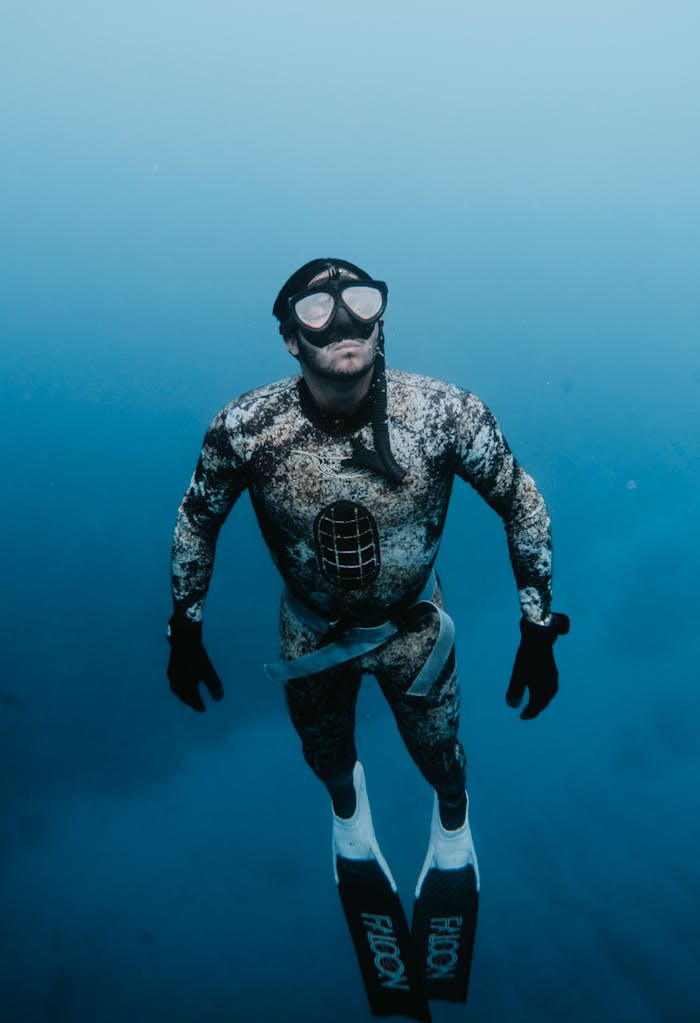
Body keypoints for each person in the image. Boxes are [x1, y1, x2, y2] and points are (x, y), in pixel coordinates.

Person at [167, 257, 568, 886]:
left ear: (382, 320)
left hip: (414, 631)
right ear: (290, 337)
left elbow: (521, 501)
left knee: (442, 754)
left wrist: (537, 627)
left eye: (359, 301)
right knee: (324, 753)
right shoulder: (247, 430)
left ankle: (454, 822)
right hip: (311, 633)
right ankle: (349, 815)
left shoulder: (443, 414)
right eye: (317, 309)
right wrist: (183, 629)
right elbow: (198, 520)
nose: (344, 321)